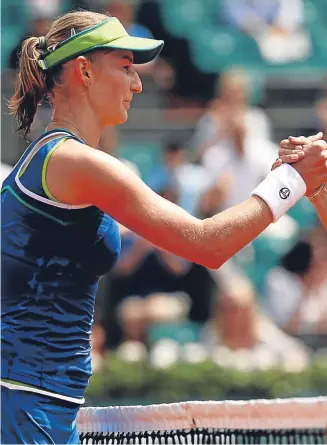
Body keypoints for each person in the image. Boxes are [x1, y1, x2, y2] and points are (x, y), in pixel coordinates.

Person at [1, 9, 326, 444]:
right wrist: (292, 180)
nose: (137, 84)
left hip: (40, 403)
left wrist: (310, 185)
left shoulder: (60, 160)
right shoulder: (74, 162)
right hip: (25, 405)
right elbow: (208, 244)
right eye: (125, 68)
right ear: (84, 70)